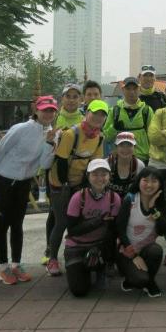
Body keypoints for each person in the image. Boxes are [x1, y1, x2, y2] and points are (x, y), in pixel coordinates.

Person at [0, 96, 57, 286]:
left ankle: (16, 264)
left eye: (52, 110)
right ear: (36, 110)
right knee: (3, 223)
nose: (48, 114)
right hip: (4, 179)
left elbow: (45, 164)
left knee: (18, 223)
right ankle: (3, 267)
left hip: (24, 182)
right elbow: (0, 151)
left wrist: (49, 143)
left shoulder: (52, 133)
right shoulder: (20, 129)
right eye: (45, 110)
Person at [44, 99, 108, 277]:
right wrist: (66, 186)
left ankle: (77, 253)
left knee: (80, 220)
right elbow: (61, 162)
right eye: (95, 113)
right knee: (61, 221)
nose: (98, 117)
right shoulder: (72, 134)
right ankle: (52, 259)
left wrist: (87, 187)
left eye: (102, 115)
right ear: (86, 113)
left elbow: (94, 164)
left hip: (79, 182)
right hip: (60, 182)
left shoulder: (99, 137)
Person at [63, 159, 121, 297]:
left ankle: (101, 267)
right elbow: (72, 230)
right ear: (88, 176)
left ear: (109, 176)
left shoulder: (114, 198)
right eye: (95, 174)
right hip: (76, 246)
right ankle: (84, 269)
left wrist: (110, 256)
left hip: (99, 245)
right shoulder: (78, 197)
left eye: (104, 174)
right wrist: (99, 220)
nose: (100, 178)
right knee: (79, 291)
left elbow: (113, 230)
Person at [116, 167, 166, 296]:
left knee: (156, 250)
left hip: (146, 250)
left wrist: (153, 209)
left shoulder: (161, 203)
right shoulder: (130, 199)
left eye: (154, 181)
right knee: (140, 280)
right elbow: (119, 229)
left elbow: (164, 230)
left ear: (160, 184)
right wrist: (133, 256)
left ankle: (150, 281)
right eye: (145, 180)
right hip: (126, 251)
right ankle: (131, 280)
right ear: (139, 181)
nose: (149, 185)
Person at [104, 76, 152, 165]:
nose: (132, 92)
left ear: (139, 89)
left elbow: (152, 136)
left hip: (142, 157)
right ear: (123, 90)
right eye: (128, 89)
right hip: (120, 158)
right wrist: (114, 128)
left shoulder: (146, 110)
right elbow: (106, 137)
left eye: (135, 89)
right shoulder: (115, 111)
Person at [107, 132, 146, 196]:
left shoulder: (139, 165)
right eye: (121, 145)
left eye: (129, 145)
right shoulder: (107, 163)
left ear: (134, 147)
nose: (125, 149)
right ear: (116, 147)